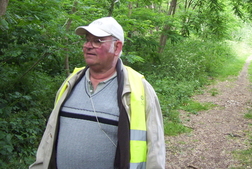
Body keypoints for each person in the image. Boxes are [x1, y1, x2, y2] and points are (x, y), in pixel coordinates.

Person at [29, 17, 165, 169]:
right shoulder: (71, 82)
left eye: (97, 41)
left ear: (117, 47)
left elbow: (155, 147)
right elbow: (49, 135)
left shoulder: (138, 89)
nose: (88, 46)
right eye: (87, 40)